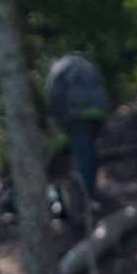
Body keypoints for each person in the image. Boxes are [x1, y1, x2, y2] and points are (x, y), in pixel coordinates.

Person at [44, 52, 110, 210]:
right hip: (97, 114)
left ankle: (84, 197)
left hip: (76, 115)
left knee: (82, 156)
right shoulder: (88, 66)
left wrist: (53, 117)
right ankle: (92, 190)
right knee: (91, 152)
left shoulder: (59, 67)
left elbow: (54, 93)